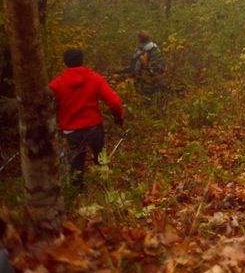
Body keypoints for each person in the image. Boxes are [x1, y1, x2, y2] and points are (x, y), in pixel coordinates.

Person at [50, 48, 125, 189]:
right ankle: (105, 190)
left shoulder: (56, 85)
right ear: (82, 60)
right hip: (94, 128)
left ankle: (77, 194)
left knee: (76, 163)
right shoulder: (94, 79)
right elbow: (113, 101)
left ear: (65, 63)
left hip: (71, 131)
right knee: (100, 160)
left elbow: (46, 106)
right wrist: (119, 116)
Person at [128, 30, 166, 94]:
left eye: (138, 37)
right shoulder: (154, 47)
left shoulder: (141, 51)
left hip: (147, 78)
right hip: (158, 75)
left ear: (140, 38)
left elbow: (135, 69)